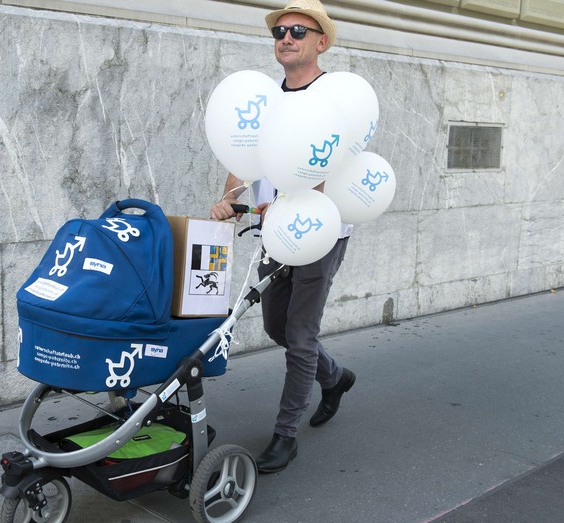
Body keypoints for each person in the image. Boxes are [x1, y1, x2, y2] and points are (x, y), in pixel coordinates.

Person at [210, 0, 355, 474]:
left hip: (321, 230)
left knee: (299, 335)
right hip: (275, 229)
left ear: (321, 42)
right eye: (279, 32)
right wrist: (228, 199)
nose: (286, 38)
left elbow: (339, 163)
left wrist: (295, 202)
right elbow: (244, 154)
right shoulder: (267, 99)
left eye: (297, 30)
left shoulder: (336, 98)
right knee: (278, 325)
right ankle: (333, 378)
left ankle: (285, 435)